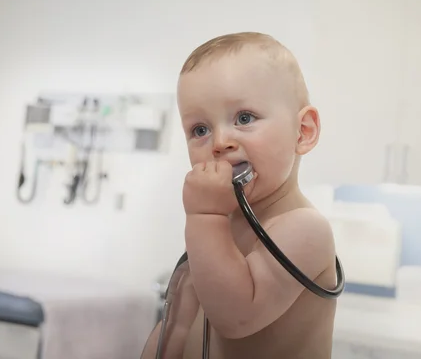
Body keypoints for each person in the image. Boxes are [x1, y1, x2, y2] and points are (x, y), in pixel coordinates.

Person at [141, 32, 339, 359]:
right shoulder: (221, 229)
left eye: (244, 118)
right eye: (200, 130)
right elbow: (176, 325)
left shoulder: (306, 229)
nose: (220, 142)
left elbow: (235, 317)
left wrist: (204, 217)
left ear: (303, 131)